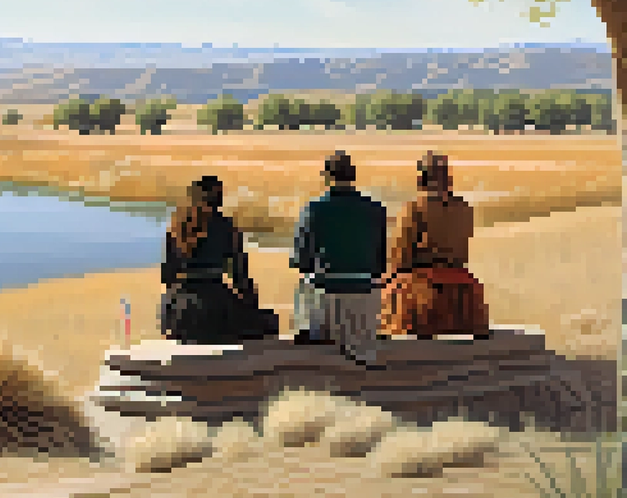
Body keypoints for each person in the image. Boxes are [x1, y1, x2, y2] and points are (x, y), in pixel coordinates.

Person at [379, 152, 490, 338]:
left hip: (424, 287)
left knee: (386, 291)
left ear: (421, 179)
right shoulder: (464, 208)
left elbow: (400, 257)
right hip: (461, 282)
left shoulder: (413, 208)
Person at [289, 151, 388, 360]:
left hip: (326, 292)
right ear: (353, 175)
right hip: (365, 292)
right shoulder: (376, 209)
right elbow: (380, 264)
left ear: (326, 176)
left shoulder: (314, 209)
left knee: (303, 286)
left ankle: (309, 336)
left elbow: (301, 262)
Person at [159, 175, 280, 344]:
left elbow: (167, 276)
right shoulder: (227, 227)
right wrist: (251, 307)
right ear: (218, 199)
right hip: (216, 306)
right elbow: (241, 279)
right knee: (269, 321)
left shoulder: (176, 227)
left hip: (179, 315)